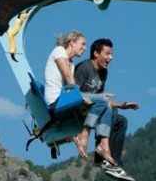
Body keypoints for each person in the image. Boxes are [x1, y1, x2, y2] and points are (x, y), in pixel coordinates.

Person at [44, 31, 119, 169]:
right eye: (82, 44)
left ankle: (104, 146)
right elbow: (68, 77)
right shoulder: (59, 51)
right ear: (71, 43)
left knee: (106, 103)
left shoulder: (72, 64)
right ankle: (84, 135)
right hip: (57, 102)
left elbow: (69, 81)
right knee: (102, 101)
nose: (85, 48)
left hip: (64, 100)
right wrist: (79, 97)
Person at [74, 38, 139, 181]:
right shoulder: (84, 68)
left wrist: (122, 105)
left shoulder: (104, 73)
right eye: (108, 54)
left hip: (96, 110)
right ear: (96, 53)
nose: (111, 58)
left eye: (112, 54)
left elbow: (102, 99)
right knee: (107, 107)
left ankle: (111, 163)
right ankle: (102, 153)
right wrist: (99, 99)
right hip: (79, 111)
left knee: (120, 121)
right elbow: (73, 93)